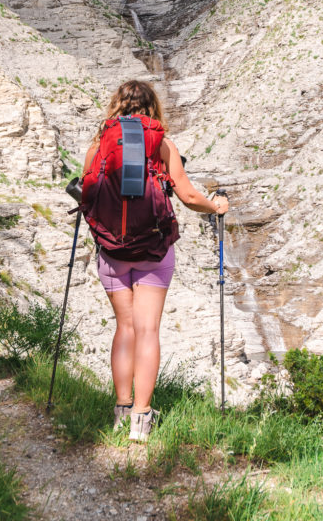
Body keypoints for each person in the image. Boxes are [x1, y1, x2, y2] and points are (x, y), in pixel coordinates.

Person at [82, 79, 228, 442]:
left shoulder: (98, 145)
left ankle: (120, 409)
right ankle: (141, 420)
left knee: (125, 329)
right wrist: (216, 206)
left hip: (113, 252)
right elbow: (189, 195)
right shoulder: (161, 145)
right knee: (147, 330)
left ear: (116, 105)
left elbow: (86, 195)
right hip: (153, 249)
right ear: (153, 109)